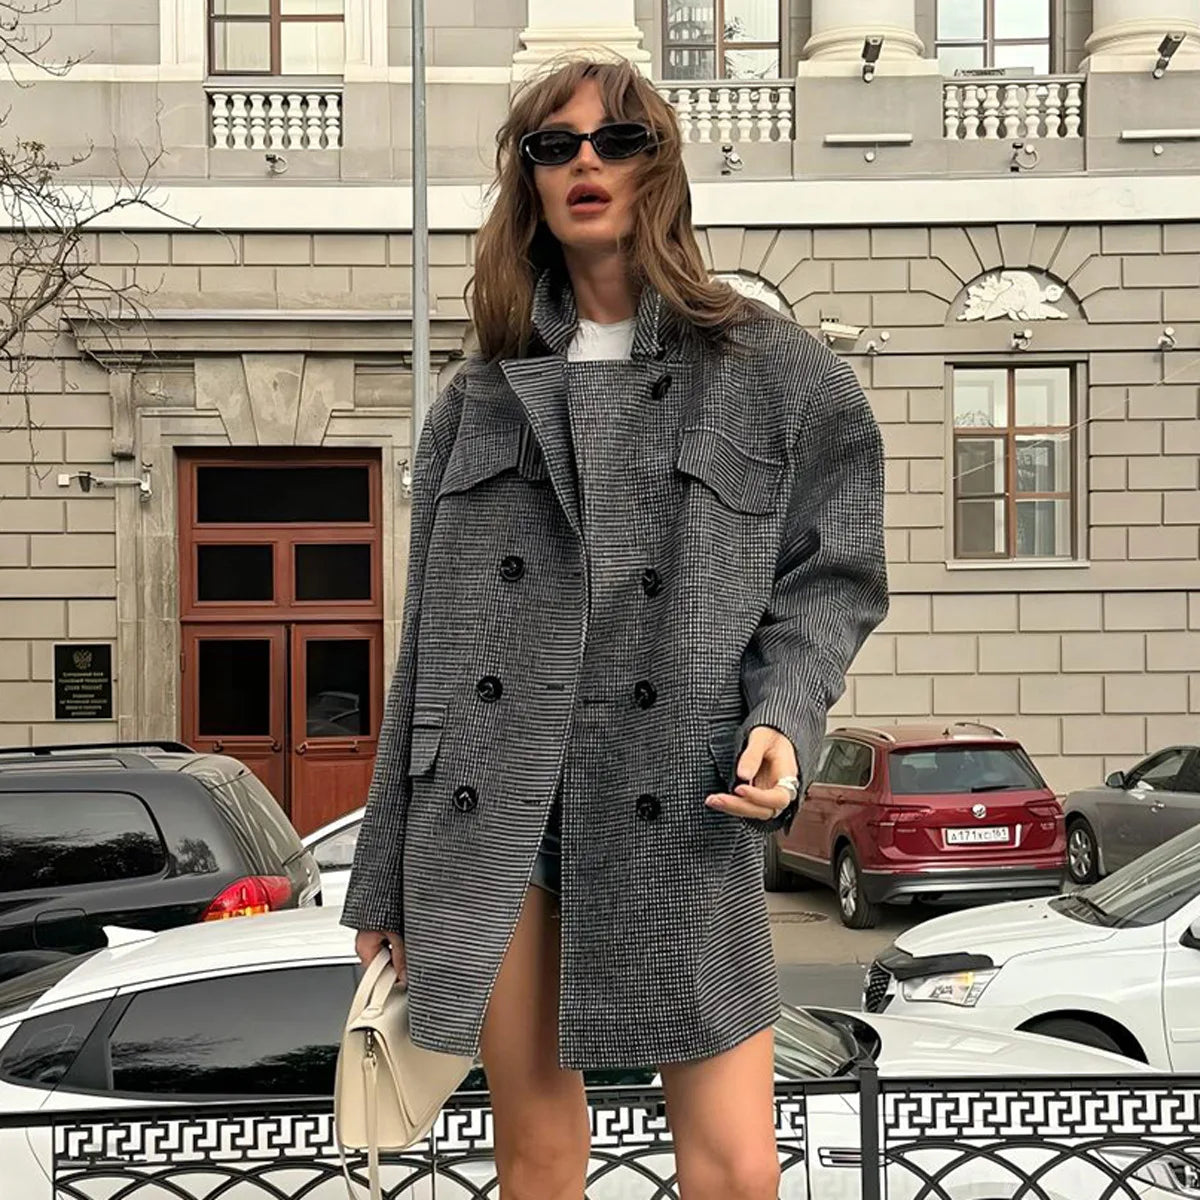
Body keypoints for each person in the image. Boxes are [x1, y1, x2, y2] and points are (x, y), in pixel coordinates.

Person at [341, 54, 888, 1200]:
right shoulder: (477, 400)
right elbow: (425, 652)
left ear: (661, 167)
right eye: (555, 146)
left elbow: (831, 578)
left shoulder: (774, 373)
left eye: (616, 139)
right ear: (529, 184)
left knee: (735, 1168)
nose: (585, 161)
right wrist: (380, 880)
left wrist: (784, 714)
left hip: (678, 791)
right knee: (535, 1156)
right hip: (495, 805)